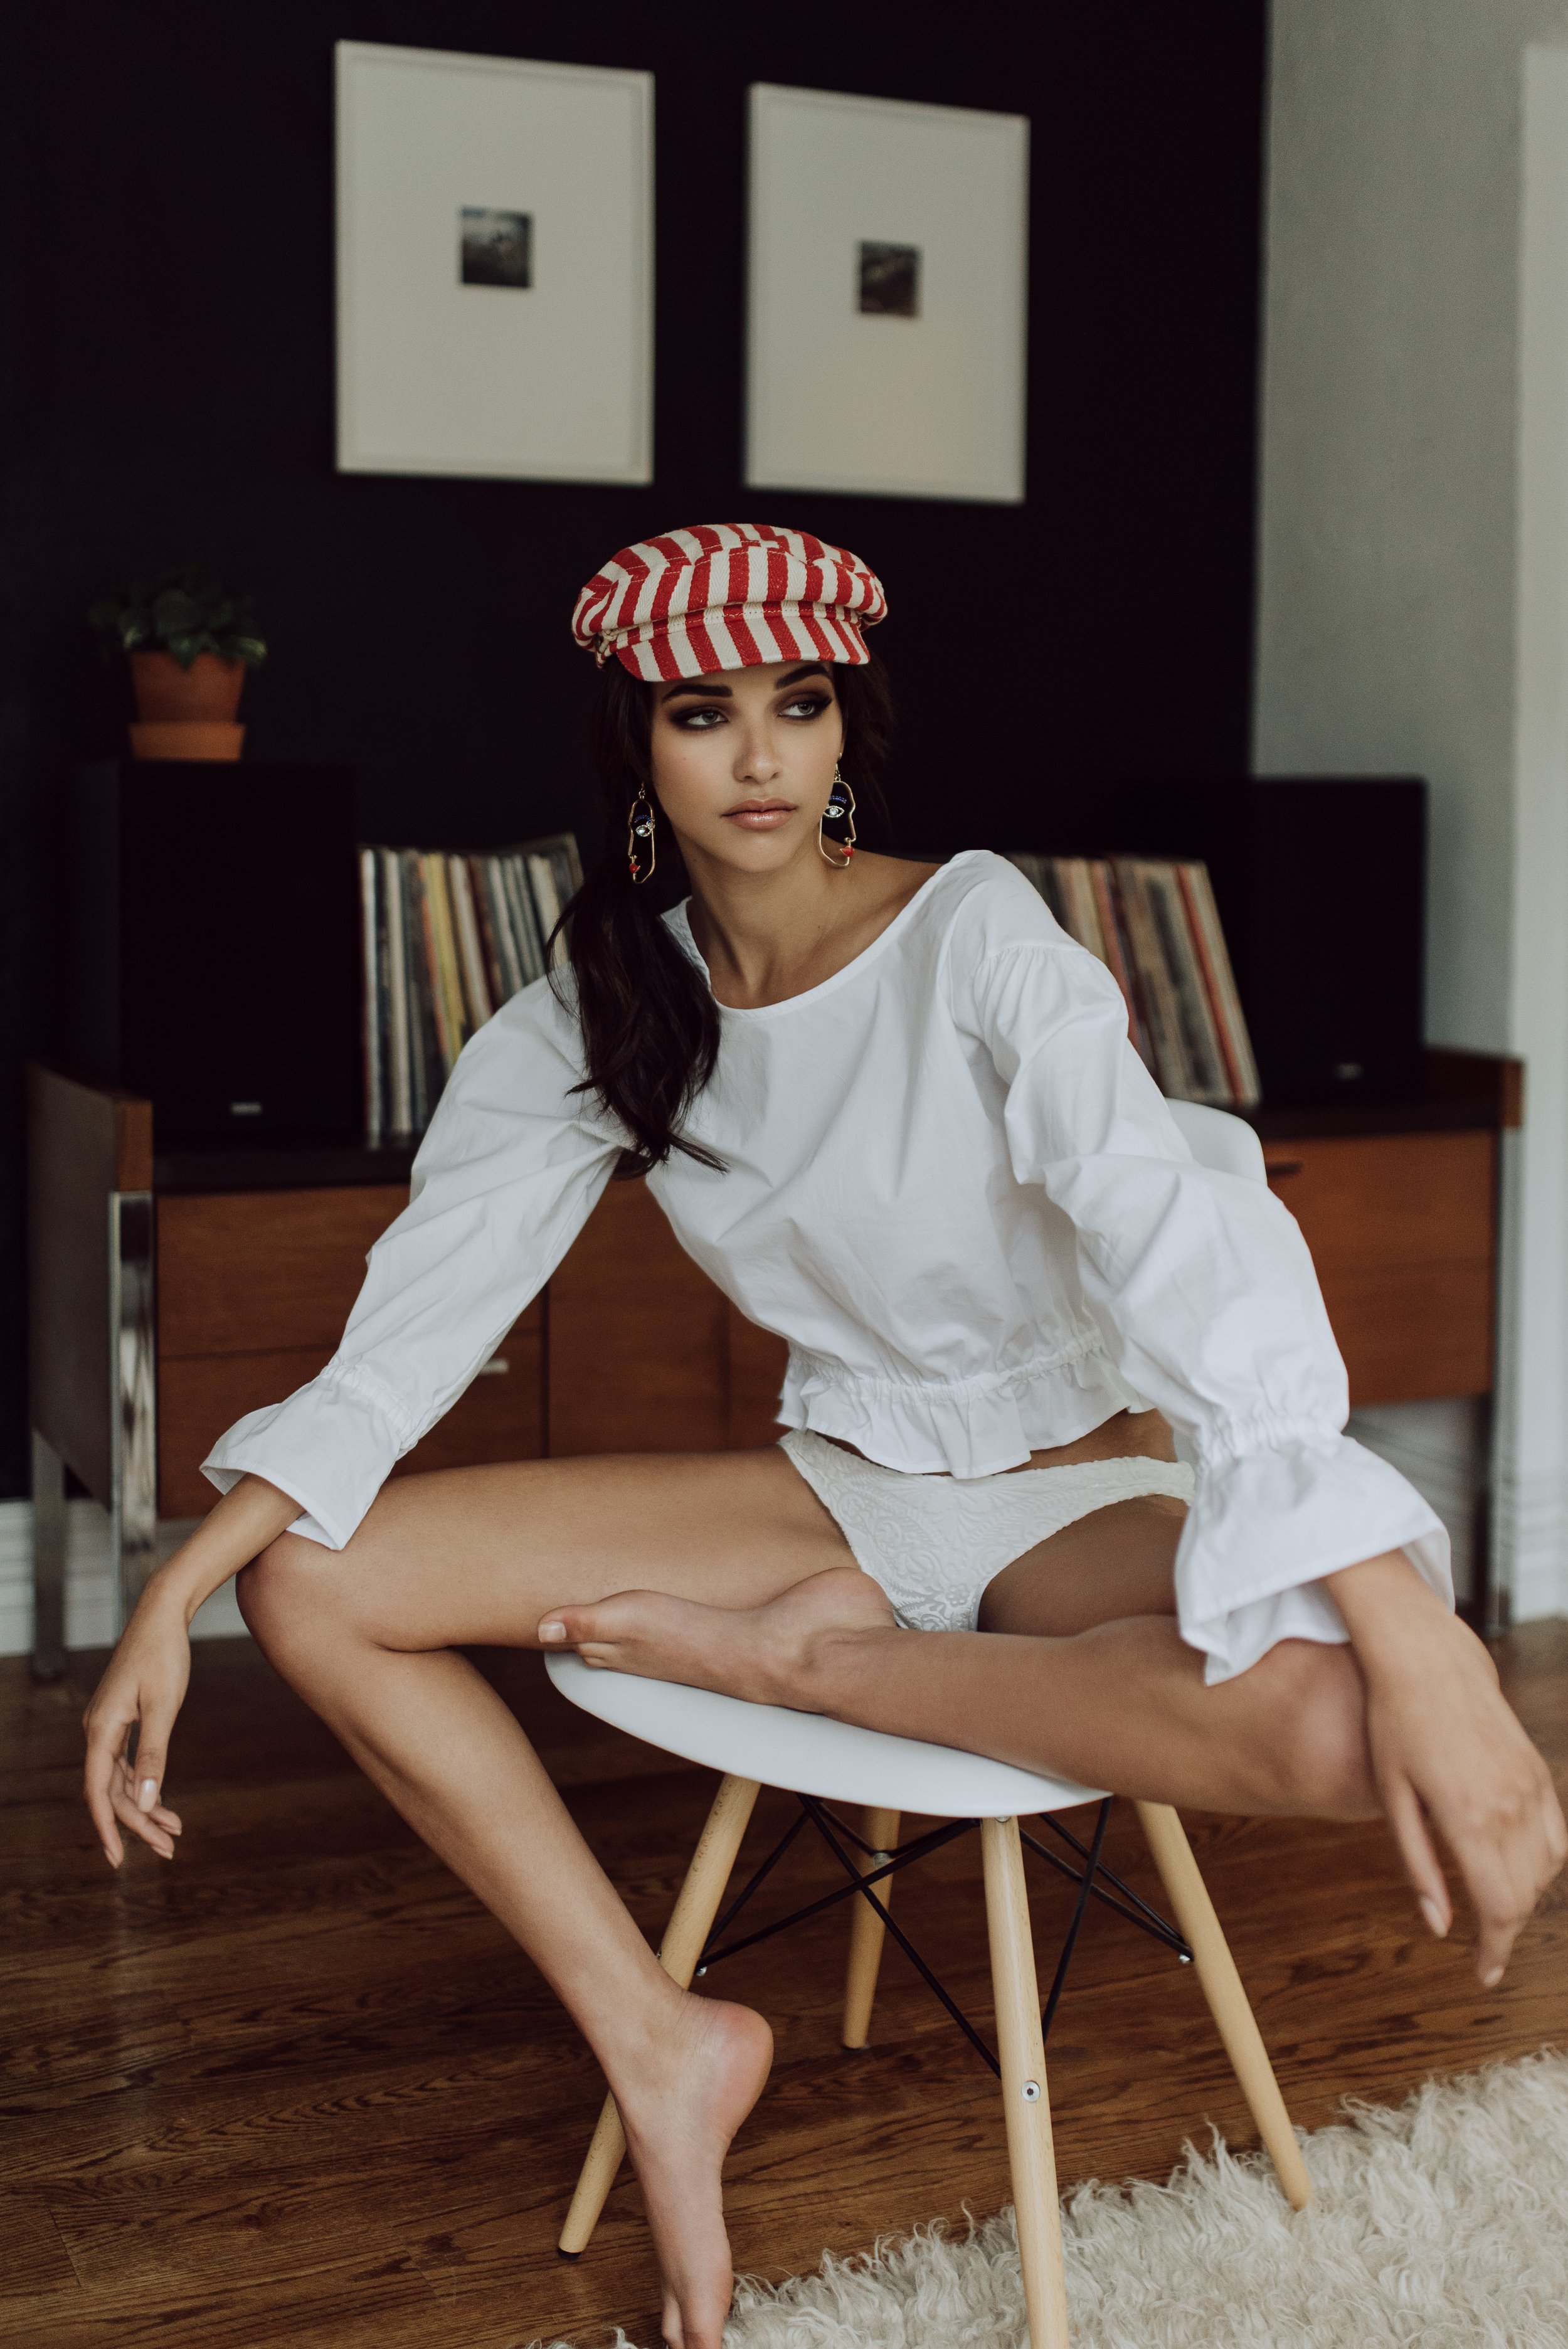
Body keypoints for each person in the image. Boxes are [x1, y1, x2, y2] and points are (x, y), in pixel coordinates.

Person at [83, 524, 1565, 2349]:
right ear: (633, 749)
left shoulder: (974, 934)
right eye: (703, 714)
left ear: (848, 717)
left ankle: (826, 1671)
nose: (763, 758)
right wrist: (183, 1583)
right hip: (840, 1485)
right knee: (312, 1583)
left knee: (1352, 1723)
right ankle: (661, 2037)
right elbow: (412, 1327)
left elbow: (1180, 1241)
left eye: (799, 704)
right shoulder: (601, 1009)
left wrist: (1411, 1626)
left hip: (1068, 1485)